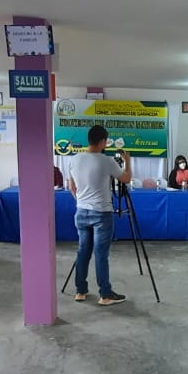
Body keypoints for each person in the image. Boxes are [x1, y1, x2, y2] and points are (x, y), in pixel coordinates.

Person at [67, 125, 131, 306]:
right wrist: (127, 161)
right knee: (101, 255)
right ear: (103, 142)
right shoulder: (106, 161)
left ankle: (80, 291)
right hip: (101, 213)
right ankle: (105, 294)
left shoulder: (74, 159)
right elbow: (126, 178)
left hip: (81, 211)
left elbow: (72, 187)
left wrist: (81, 202)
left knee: (83, 252)